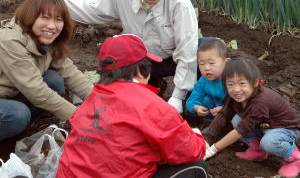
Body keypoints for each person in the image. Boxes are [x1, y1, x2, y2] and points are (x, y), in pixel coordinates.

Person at [56, 34, 207, 178]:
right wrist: (196, 135)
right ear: (140, 71)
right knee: (197, 166)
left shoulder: (92, 99)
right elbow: (191, 150)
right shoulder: (152, 105)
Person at [61, 0, 198, 113]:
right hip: (142, 62)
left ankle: (191, 102)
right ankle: (152, 85)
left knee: (205, 51)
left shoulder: (179, 2)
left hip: (173, 60)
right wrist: (55, 0)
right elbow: (91, 9)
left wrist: (177, 97)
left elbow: (187, 51)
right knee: (134, 106)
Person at [0, 0, 93, 142]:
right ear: (31, 16)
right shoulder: (9, 41)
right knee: (18, 114)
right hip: (7, 100)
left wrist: (103, 103)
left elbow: (72, 74)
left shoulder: (46, 40)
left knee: (53, 80)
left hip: (9, 93)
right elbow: (35, 90)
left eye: (58, 19)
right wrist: (79, 118)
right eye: (45, 17)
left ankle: (21, 131)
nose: (52, 26)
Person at [203, 58, 300, 178]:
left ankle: (295, 159)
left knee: (269, 142)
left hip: (285, 128)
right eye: (230, 84)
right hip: (263, 125)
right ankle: (258, 151)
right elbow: (223, 114)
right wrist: (206, 140)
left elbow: (241, 131)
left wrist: (213, 149)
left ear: (255, 83)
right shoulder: (235, 97)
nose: (236, 89)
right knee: (236, 120)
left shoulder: (261, 101)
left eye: (242, 83)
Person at [186, 37, 229, 119]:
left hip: (233, 113)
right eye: (201, 64)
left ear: (226, 63)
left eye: (211, 63)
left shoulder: (232, 79)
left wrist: (225, 109)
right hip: (215, 113)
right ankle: (210, 123)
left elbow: (241, 102)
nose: (206, 68)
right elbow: (192, 99)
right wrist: (196, 107)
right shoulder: (203, 81)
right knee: (205, 100)